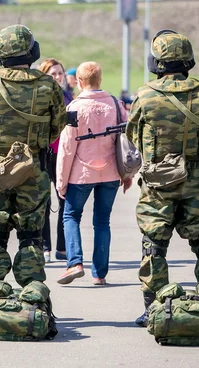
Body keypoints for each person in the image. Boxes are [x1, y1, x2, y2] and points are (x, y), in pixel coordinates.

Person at [127, 30, 199, 327]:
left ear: (157, 61)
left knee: (154, 245)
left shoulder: (145, 94)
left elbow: (133, 134)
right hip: (196, 178)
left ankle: (154, 307)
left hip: (159, 182)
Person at [0, 25, 66, 287]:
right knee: (32, 236)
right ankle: (32, 294)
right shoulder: (47, 85)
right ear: (31, 52)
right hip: (33, 170)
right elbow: (57, 127)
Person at [55, 62, 131, 286]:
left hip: (81, 174)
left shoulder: (74, 109)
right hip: (110, 173)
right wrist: (127, 174)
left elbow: (67, 149)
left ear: (79, 82)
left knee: (70, 216)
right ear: (100, 79)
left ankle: (75, 263)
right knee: (102, 222)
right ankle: (99, 274)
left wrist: (61, 181)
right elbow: (126, 142)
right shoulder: (116, 105)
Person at [38, 58, 74, 262]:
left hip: (64, 154)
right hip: (46, 152)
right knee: (44, 202)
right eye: (53, 74)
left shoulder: (68, 95)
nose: (58, 77)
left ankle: (62, 247)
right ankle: (45, 247)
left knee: (64, 201)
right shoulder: (42, 96)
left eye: (60, 73)